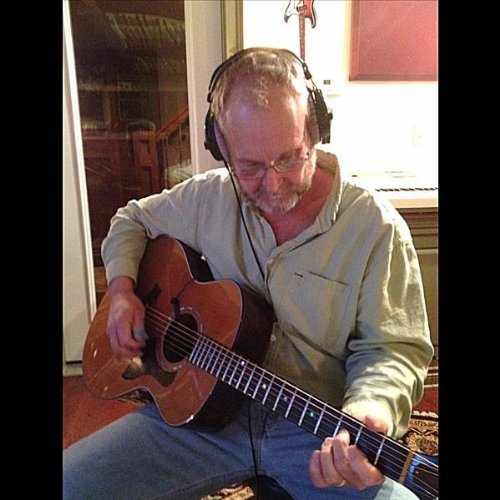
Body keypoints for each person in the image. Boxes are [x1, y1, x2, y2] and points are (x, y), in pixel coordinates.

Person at [63, 47, 434, 499]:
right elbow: (131, 220)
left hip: (314, 431)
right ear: (221, 149)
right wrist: (122, 290)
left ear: (315, 132)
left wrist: (370, 410)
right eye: (251, 167)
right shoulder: (208, 199)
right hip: (203, 412)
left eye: (291, 158)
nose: (273, 184)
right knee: (72, 484)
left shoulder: (374, 227)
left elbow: (393, 349)